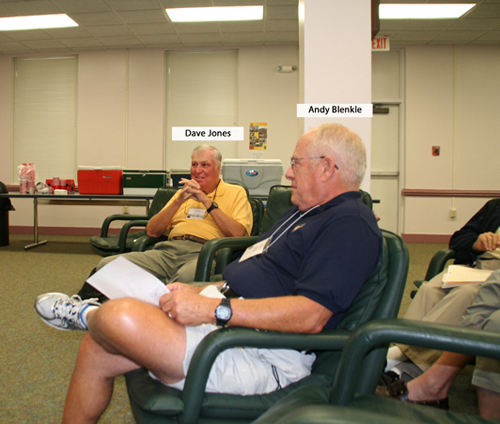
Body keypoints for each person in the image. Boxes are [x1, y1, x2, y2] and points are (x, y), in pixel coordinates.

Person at [34, 123, 382, 424]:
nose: (289, 173)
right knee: (96, 347)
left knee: (120, 315)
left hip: (262, 352)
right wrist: (199, 292)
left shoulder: (348, 224)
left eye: (295, 163)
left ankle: (89, 313)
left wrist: (214, 309)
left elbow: (311, 316)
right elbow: (255, 276)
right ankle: (95, 317)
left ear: (327, 168)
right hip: (232, 325)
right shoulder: (306, 213)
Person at [79, 144, 253, 300]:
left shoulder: (235, 192)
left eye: (205, 165)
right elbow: (152, 231)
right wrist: (179, 200)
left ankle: (156, 314)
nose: (197, 170)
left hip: (204, 253)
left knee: (183, 281)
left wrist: (206, 201)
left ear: (218, 169)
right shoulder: (181, 194)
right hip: (167, 251)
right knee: (107, 265)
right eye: (194, 164)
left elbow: (238, 234)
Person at [387, 199, 500, 379]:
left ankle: (401, 360)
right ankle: (400, 355)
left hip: (496, 279)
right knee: (430, 289)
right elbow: (458, 239)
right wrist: (475, 243)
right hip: (475, 267)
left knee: (466, 294)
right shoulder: (495, 207)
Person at [377, 269, 500, 418]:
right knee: (429, 289)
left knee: (477, 304)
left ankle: (405, 368)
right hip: (479, 267)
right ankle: (401, 363)